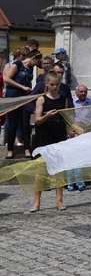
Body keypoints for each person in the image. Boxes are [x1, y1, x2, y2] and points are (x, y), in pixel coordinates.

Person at [30, 72, 68, 212]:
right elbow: (37, 120)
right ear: (46, 84)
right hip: (44, 133)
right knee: (40, 170)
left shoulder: (63, 97)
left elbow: (65, 117)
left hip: (58, 132)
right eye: (52, 84)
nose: (55, 87)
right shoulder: (41, 99)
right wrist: (47, 115)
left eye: (57, 85)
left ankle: (59, 200)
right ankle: (36, 202)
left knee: (59, 170)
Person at [3, 50, 42, 158]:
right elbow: (6, 78)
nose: (37, 64)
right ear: (33, 58)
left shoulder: (31, 68)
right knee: (12, 124)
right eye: (37, 61)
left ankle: (27, 149)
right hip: (13, 98)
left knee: (25, 124)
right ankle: (10, 150)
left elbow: (27, 81)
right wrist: (22, 87)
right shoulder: (17, 64)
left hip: (24, 99)